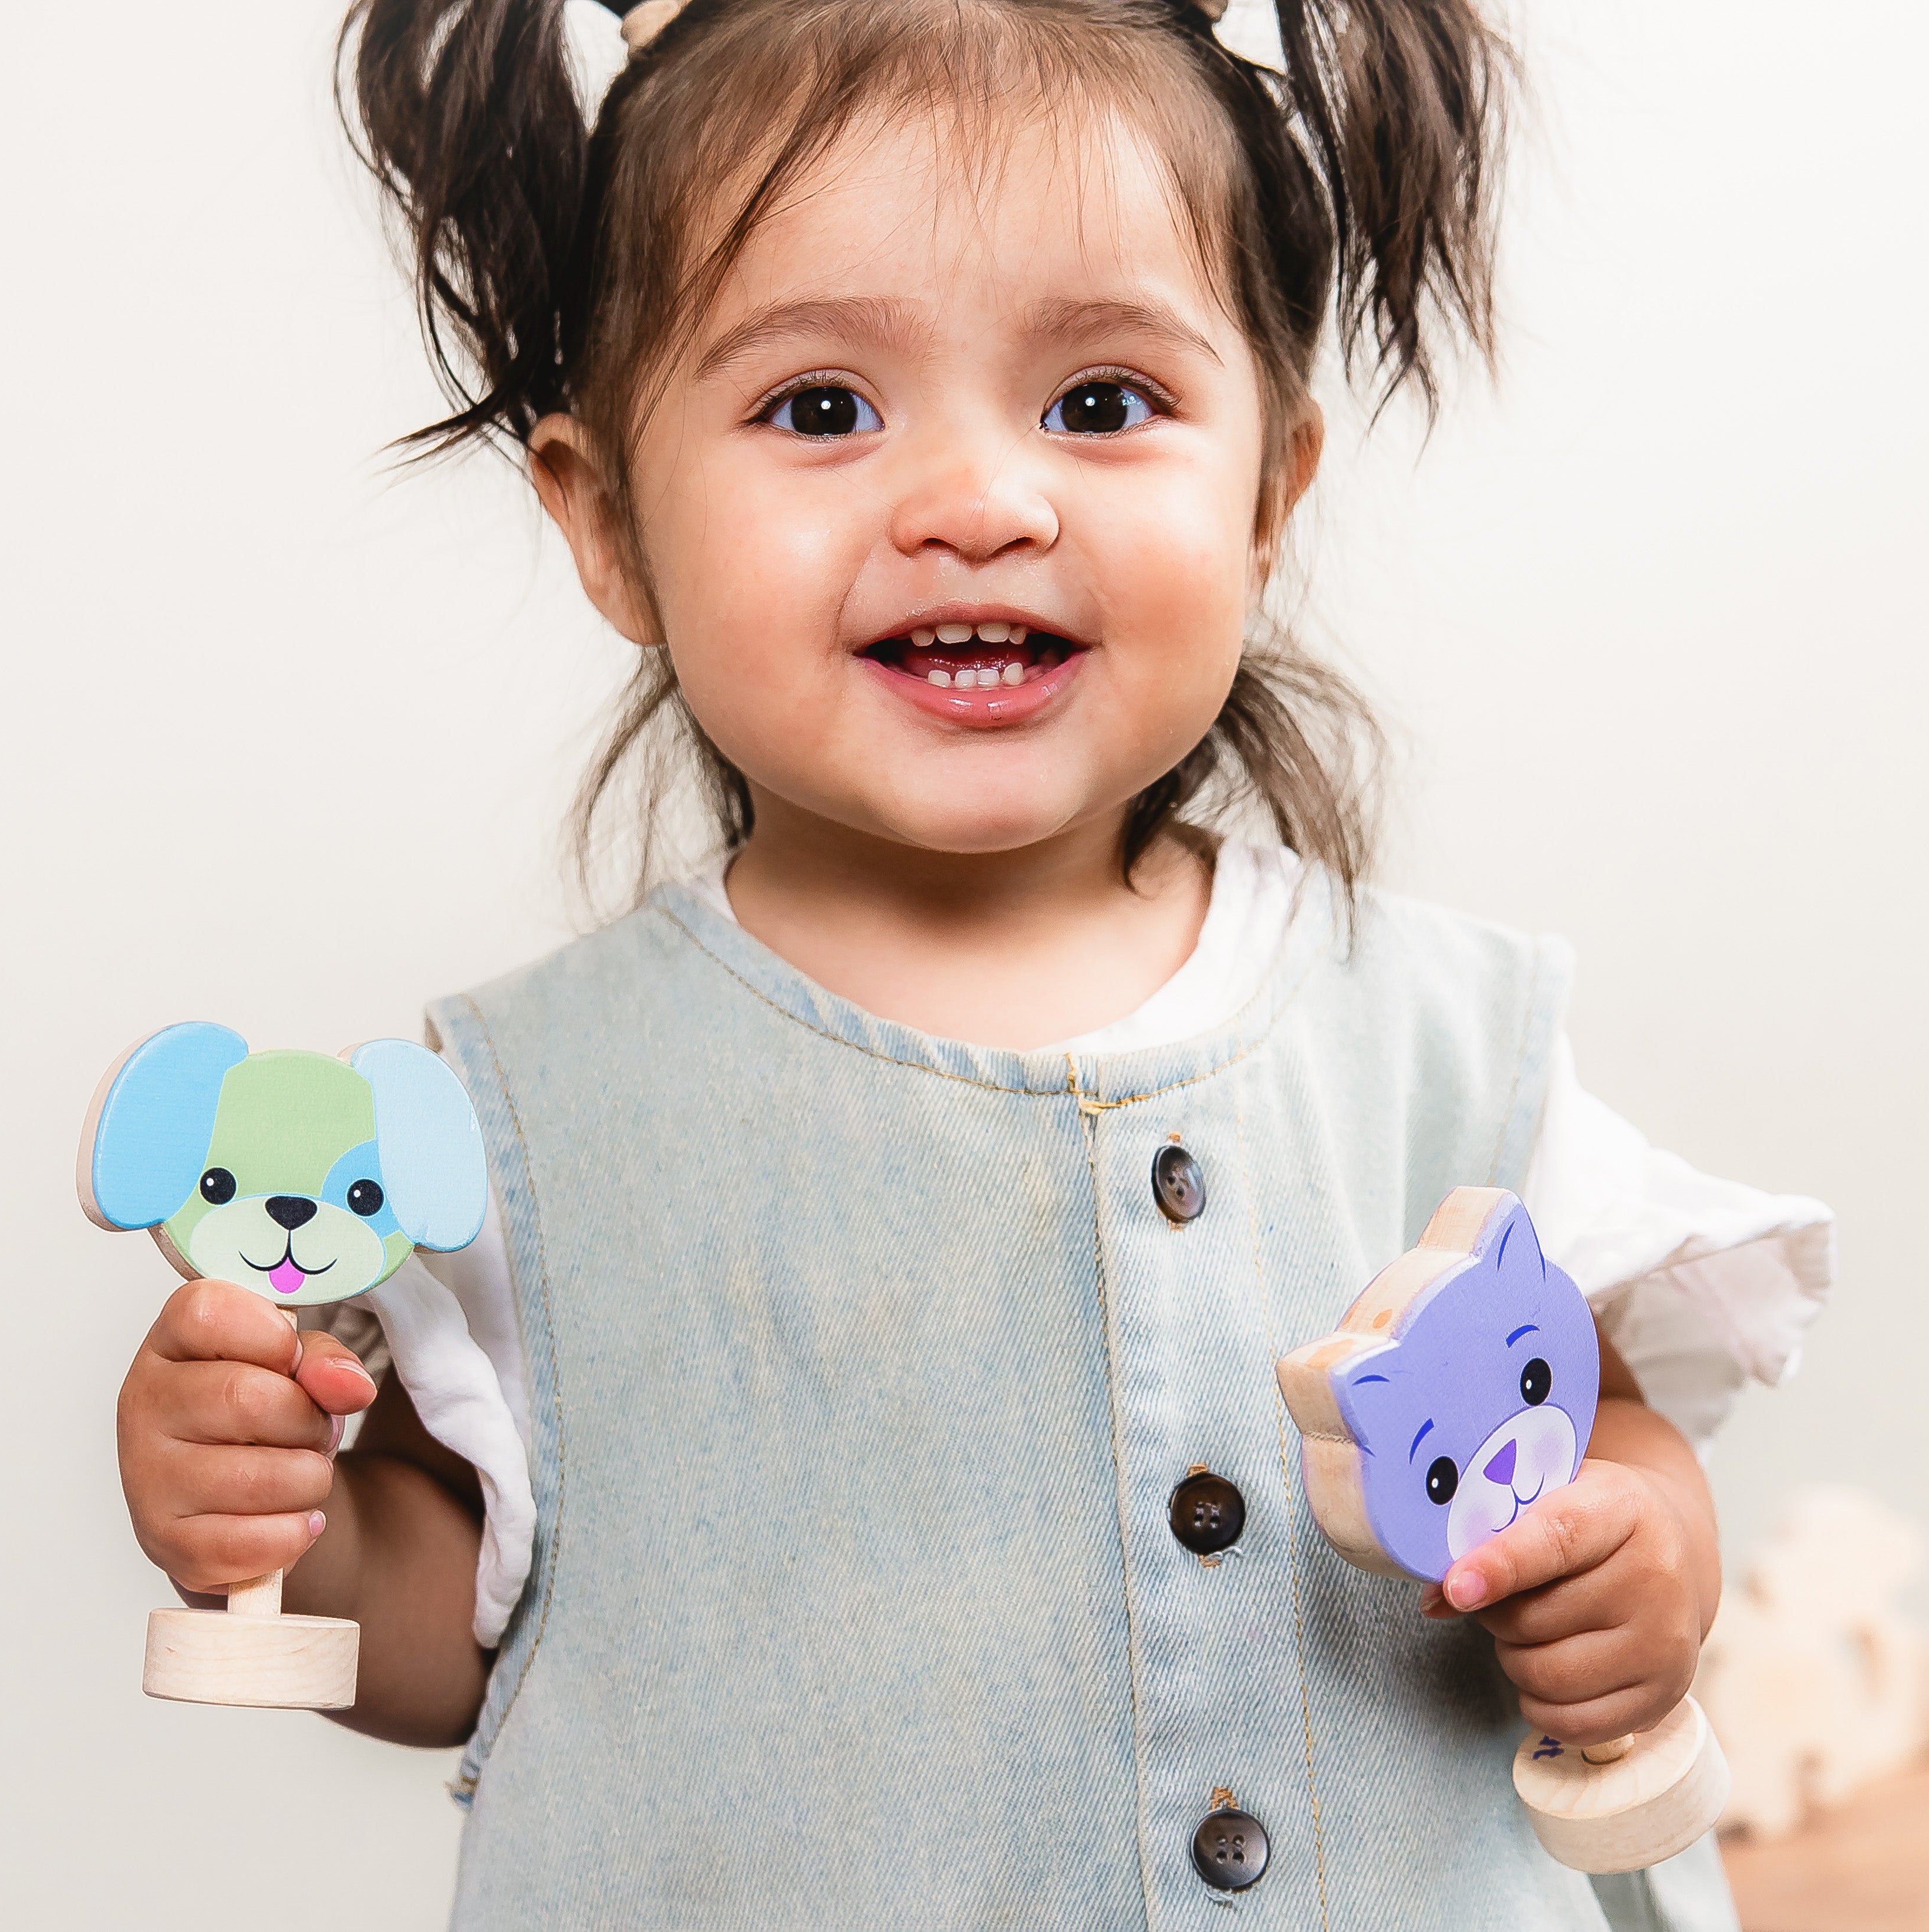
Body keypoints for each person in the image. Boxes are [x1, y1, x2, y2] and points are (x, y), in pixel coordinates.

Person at [113, 2, 1833, 1926]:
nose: (978, 503)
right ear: (605, 525)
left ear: (1268, 491)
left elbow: (1599, 1429)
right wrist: (296, 1522)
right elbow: (454, 1629)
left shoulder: (1446, 1035)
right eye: (821, 409)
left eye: (1099, 404)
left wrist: (1638, 1564)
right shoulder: (503, 1126)